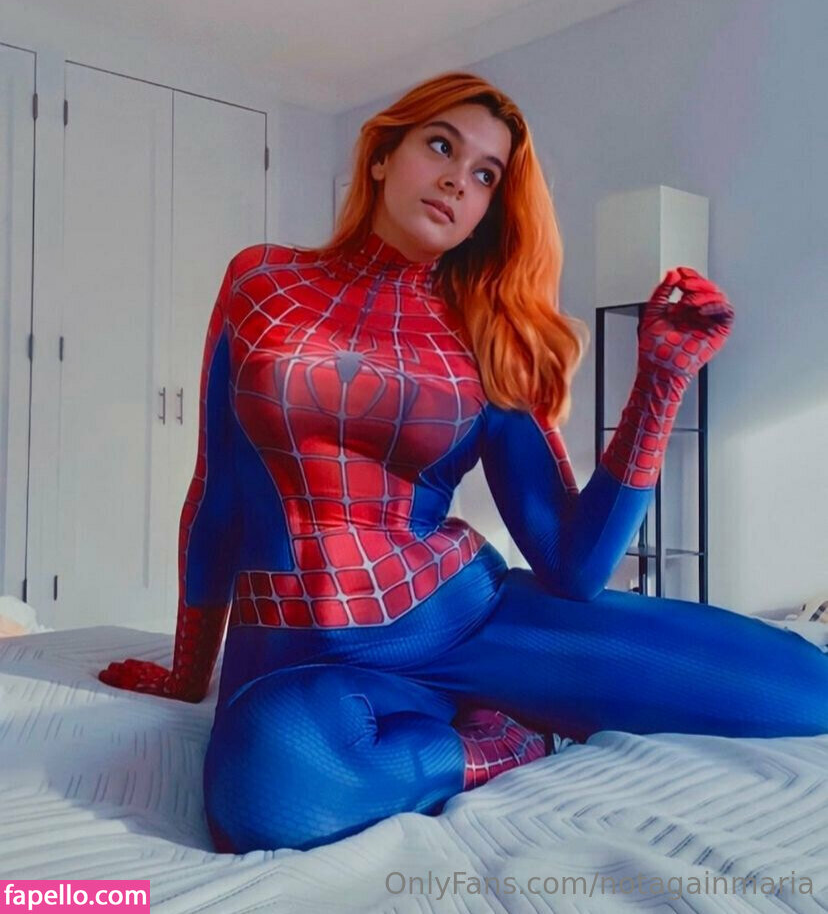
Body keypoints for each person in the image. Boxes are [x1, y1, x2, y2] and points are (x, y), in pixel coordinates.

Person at [99, 71, 828, 854]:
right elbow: (215, 494)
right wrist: (187, 672)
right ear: (383, 155)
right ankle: (507, 741)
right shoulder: (261, 280)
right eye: (441, 146)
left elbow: (574, 565)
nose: (457, 180)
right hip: (298, 655)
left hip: (472, 620)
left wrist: (661, 381)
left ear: (490, 209)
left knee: (804, 691)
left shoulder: (487, 333)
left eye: (485, 175)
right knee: (269, 796)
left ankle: (492, 710)